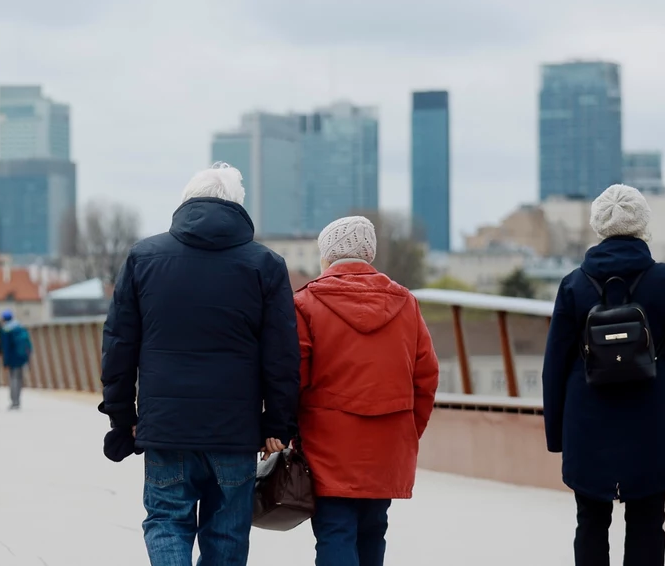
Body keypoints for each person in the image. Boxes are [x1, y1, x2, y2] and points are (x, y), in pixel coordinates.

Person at [99, 163, 299, 566]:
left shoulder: (144, 258)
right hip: (235, 431)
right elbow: (281, 354)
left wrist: (124, 416)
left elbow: (118, 346)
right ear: (237, 207)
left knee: (167, 521)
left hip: (166, 426)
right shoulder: (266, 265)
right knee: (226, 531)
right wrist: (278, 424)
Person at [543, 185, 665, 566]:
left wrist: (558, 436)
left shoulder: (573, 284)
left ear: (597, 225)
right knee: (648, 524)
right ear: (642, 224)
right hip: (649, 424)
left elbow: (553, 367)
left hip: (587, 426)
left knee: (590, 523)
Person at [294, 216, 440, 566]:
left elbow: (293, 379)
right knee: (374, 529)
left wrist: (290, 433)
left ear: (327, 256)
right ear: (369, 254)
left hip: (327, 443)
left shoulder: (306, 303)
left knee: (334, 530)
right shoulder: (406, 302)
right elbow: (427, 378)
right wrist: (406, 430)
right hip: (387, 440)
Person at [1, 309, 33, 410]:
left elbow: (5, 347)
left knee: (13, 379)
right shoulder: (20, 327)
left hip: (12, 358)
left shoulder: (6, 330)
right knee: (19, 379)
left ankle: (14, 401)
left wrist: (5, 362)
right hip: (22, 357)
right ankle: (18, 400)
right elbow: (28, 344)